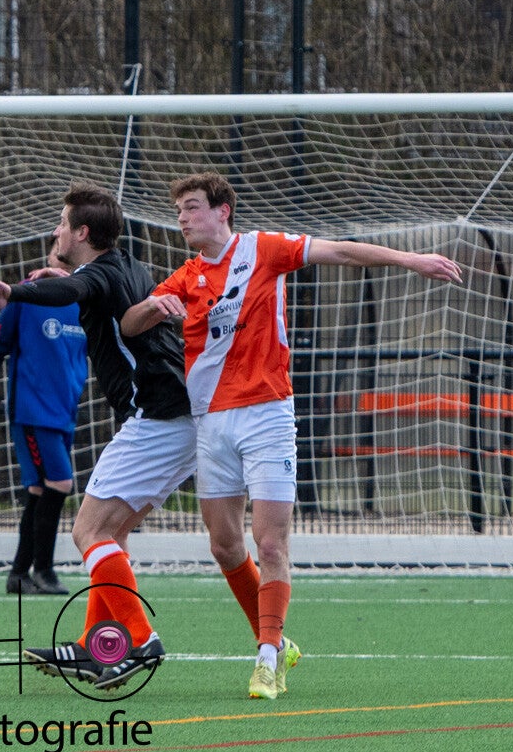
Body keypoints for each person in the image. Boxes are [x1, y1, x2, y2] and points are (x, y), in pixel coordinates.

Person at [121, 171, 463, 700]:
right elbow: (129, 325)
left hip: (267, 416)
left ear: (222, 211)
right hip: (210, 423)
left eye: (192, 207)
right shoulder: (186, 276)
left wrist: (411, 260)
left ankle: (266, 657)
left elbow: (341, 252)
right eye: (180, 210)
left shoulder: (264, 249)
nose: (183, 218)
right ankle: (278, 643)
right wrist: (151, 307)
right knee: (224, 545)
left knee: (270, 541)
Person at [0, 182, 197, 691]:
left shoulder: (95, 275)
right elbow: (85, 288)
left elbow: (71, 292)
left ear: (80, 232)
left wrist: (15, 292)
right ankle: (96, 646)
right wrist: (64, 276)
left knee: (88, 532)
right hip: (179, 418)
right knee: (110, 535)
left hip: (156, 418)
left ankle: (140, 638)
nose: (55, 231)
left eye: (61, 223)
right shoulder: (128, 267)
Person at [0, 246, 88, 596]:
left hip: (65, 409)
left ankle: (19, 574)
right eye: (57, 249)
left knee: (40, 489)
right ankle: (44, 570)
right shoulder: (25, 296)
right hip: (33, 409)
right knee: (60, 483)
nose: (62, 254)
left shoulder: (87, 297)